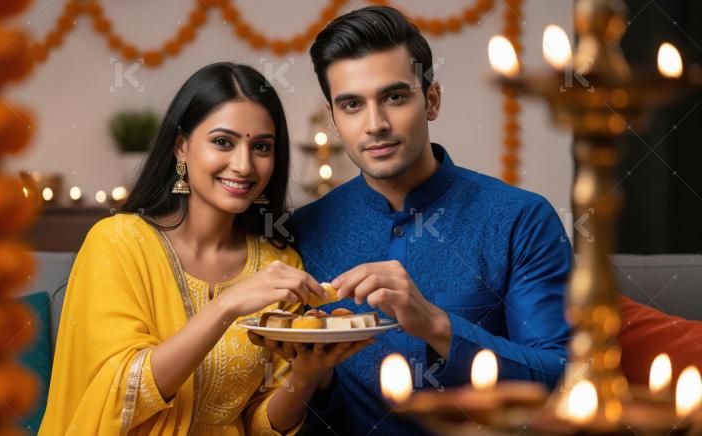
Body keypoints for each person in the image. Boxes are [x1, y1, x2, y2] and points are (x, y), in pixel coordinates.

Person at [252, 6, 574, 434]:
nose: (375, 124)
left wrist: (437, 325)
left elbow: (566, 377)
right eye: (352, 105)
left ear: (432, 100)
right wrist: (315, 374)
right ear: (333, 120)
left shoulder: (520, 219)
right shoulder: (302, 231)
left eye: (395, 97)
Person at [39, 62, 370, 436]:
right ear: (181, 146)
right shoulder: (117, 243)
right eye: (223, 142)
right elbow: (120, 395)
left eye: (261, 146)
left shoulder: (278, 265)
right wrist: (225, 307)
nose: (244, 165)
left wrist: (307, 376)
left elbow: (260, 425)